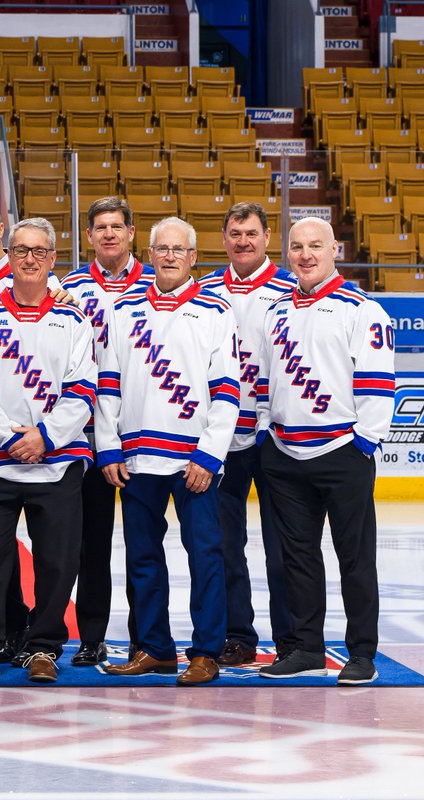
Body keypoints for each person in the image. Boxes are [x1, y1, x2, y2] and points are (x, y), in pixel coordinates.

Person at [97, 216, 239, 687]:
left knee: (205, 556)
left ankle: (205, 653)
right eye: (163, 249)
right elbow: (108, 386)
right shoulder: (123, 310)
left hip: (192, 461)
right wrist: (108, 447)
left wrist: (209, 454)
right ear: (150, 254)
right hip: (136, 458)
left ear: (194, 256)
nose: (171, 256)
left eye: (180, 249)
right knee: (141, 556)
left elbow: (227, 391)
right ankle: (154, 648)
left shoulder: (216, 312)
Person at [0, 217, 95, 683]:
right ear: (8, 257)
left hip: (56, 464)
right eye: (21, 251)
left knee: (57, 562)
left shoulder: (73, 319)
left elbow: (82, 390)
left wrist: (45, 438)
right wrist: (10, 437)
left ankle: (44, 648)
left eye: (39, 251)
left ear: (53, 259)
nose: (30, 259)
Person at [255, 216, 395, 686]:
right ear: (287, 252)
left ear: (335, 248)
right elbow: (260, 380)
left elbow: (377, 385)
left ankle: (361, 654)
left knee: (355, 558)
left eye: (315, 245)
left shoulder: (362, 310)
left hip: (342, 454)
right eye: (296, 247)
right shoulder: (274, 310)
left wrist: (363, 442)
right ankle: (307, 649)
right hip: (284, 453)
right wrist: (263, 431)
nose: (305, 255)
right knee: (297, 558)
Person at [198, 203, 297, 667]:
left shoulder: (291, 289)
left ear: (267, 236)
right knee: (223, 545)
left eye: (251, 233)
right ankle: (237, 634)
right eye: (235, 233)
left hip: (275, 438)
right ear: (223, 238)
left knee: (284, 545)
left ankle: (292, 638)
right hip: (220, 440)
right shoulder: (201, 292)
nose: (243, 241)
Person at [59, 197, 153, 667]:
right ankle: (92, 636)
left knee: (143, 546)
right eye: (101, 228)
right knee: (89, 546)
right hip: (88, 433)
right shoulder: (70, 288)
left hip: (140, 435)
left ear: (132, 232)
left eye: (118, 226)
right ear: (90, 235)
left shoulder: (160, 285)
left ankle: (145, 640)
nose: (109, 234)